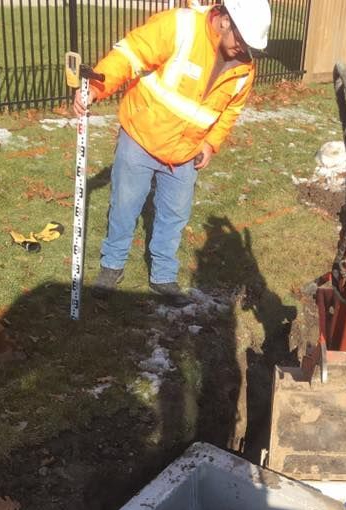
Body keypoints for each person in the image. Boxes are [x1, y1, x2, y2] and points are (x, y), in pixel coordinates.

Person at [73, 0, 271, 304]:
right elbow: (130, 54)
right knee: (125, 205)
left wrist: (210, 143)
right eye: (242, 41)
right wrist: (97, 88)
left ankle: (163, 276)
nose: (244, 50)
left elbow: (230, 111)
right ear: (225, 19)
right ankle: (112, 265)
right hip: (141, 137)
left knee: (174, 216)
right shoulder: (181, 26)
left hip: (185, 153)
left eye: (250, 47)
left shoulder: (244, 69)